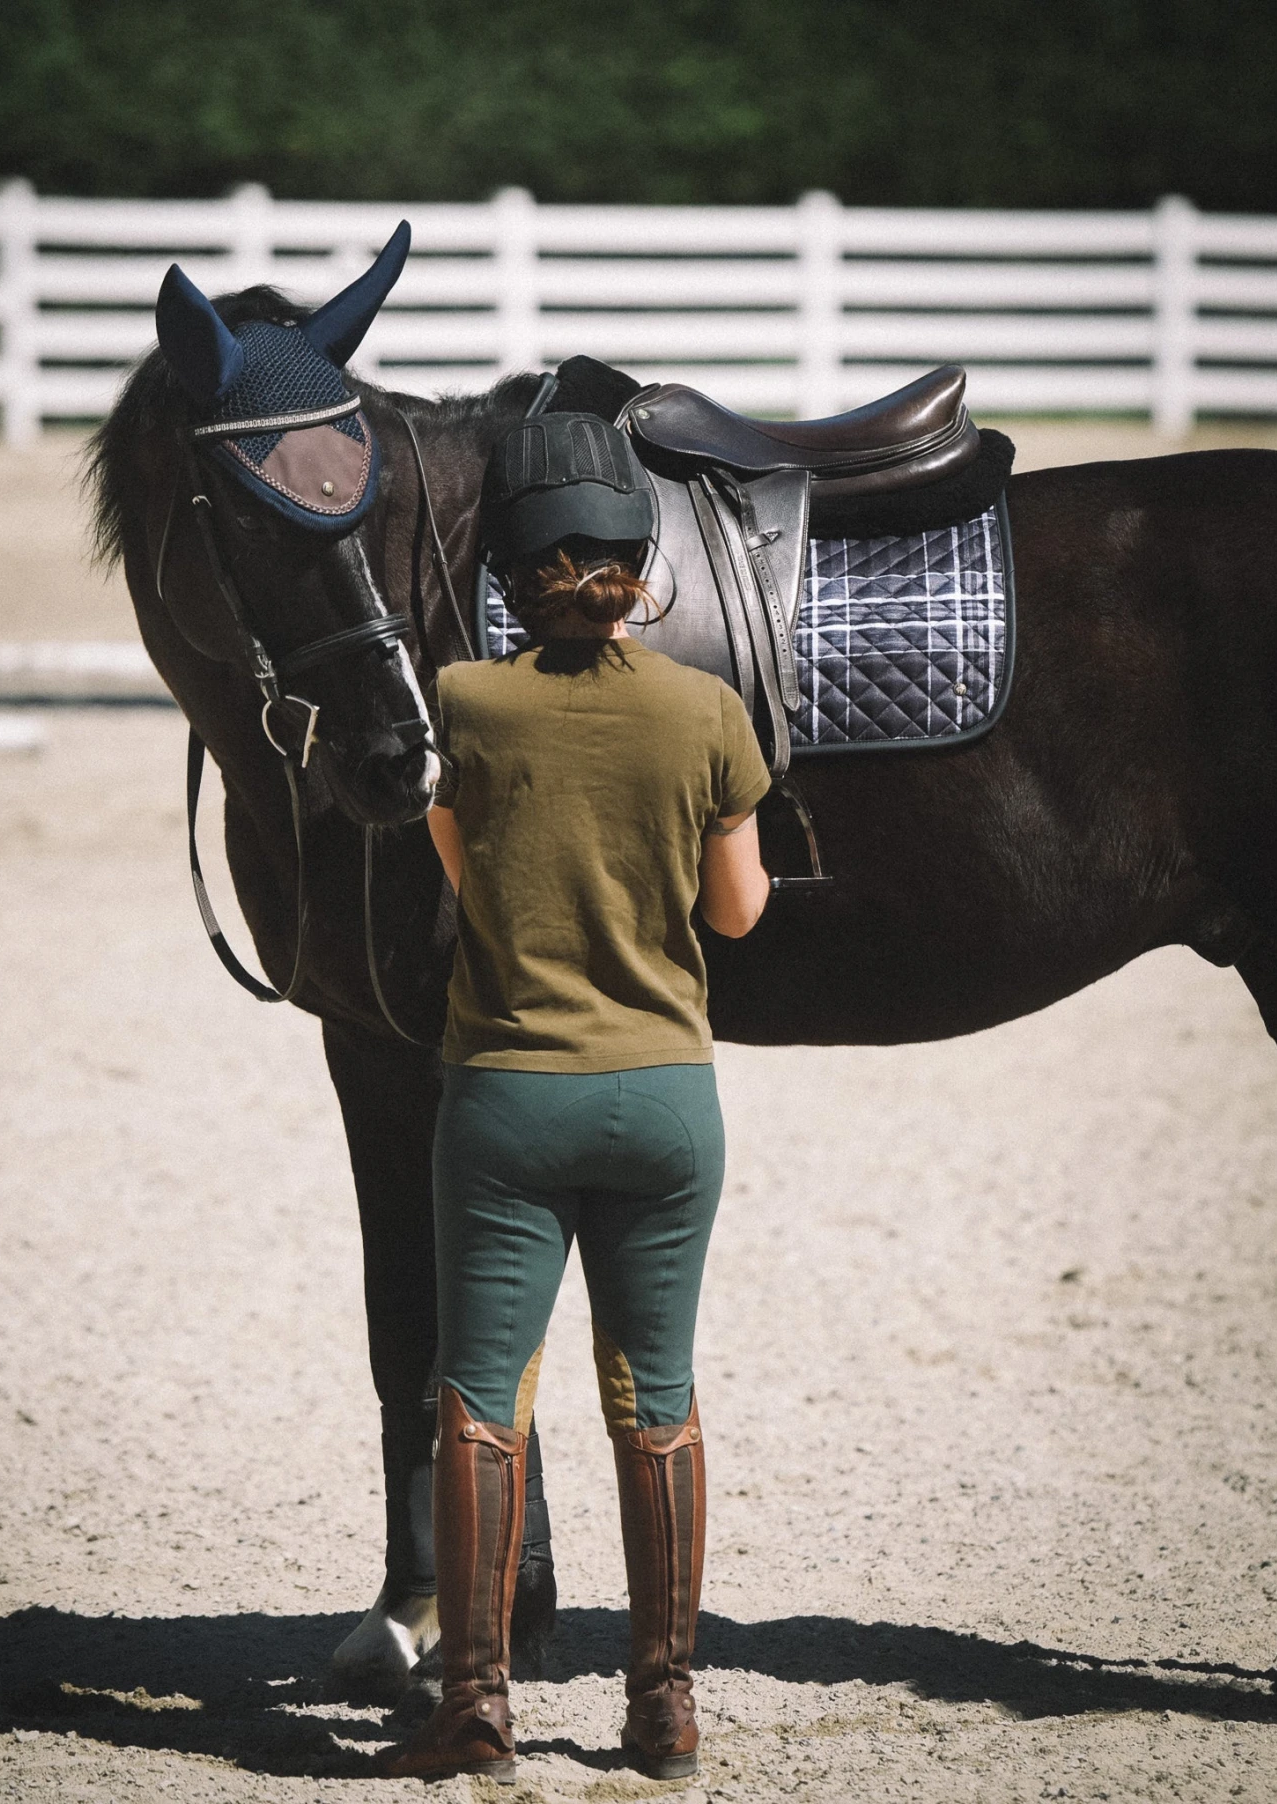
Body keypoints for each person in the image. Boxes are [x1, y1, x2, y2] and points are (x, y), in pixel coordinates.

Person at [379, 412, 771, 1784]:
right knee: (655, 1396)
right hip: (666, 1102)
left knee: (481, 1399)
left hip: (507, 1101)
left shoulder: (467, 701)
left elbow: (470, 878)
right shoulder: (708, 714)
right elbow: (735, 917)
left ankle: (476, 1705)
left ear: (517, 568)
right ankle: (662, 1706)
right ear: (635, 560)